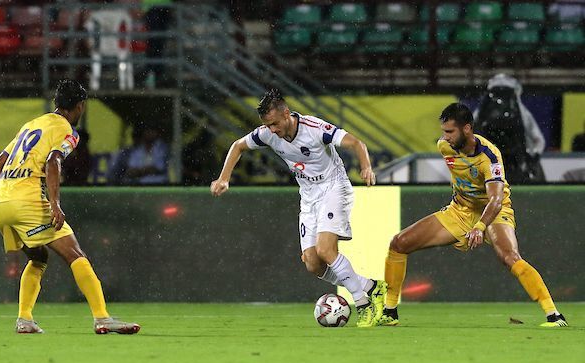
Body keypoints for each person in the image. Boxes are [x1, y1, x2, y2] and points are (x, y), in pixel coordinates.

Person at [377, 103, 567, 328]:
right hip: (460, 211)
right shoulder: (444, 147)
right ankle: (390, 312)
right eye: (443, 131)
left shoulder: (490, 156)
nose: (444, 137)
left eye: (450, 132)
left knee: (509, 256)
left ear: (467, 129)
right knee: (399, 243)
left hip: (494, 211)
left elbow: (495, 199)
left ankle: (553, 315)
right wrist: (464, 224)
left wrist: (479, 227)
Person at [210, 88, 385, 327]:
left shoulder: (314, 128)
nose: (272, 130)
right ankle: (371, 286)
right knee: (313, 263)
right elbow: (238, 146)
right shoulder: (268, 135)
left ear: (285, 114)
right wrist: (224, 178)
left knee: (326, 250)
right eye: (267, 126)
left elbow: (356, 143)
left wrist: (366, 167)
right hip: (309, 197)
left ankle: (363, 304)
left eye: (274, 124)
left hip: (334, 187)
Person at [0, 79, 140, 334]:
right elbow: (53, 160)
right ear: (80, 106)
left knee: (38, 257)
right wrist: (54, 203)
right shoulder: (68, 131)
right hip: (28, 202)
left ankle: (24, 320)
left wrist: (12, 189)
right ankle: (102, 317)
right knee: (75, 254)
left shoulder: (31, 125)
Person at [474, 74, 546, 183]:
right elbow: (539, 141)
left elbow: (538, 141)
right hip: (510, 165)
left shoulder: (523, 115)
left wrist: (532, 158)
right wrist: (533, 157)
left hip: (505, 165)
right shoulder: (523, 114)